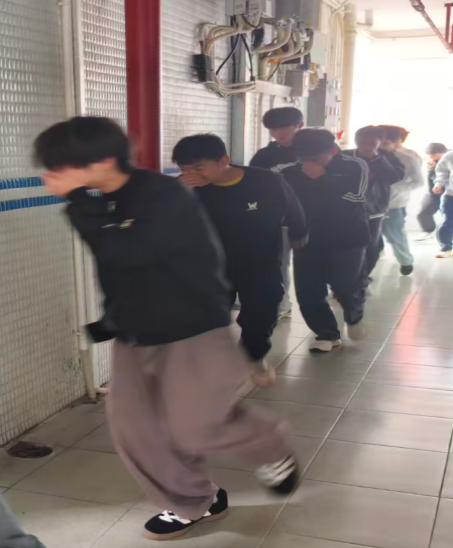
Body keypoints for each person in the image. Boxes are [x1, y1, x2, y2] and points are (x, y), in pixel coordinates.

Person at [34, 117, 299, 542]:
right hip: (135, 333)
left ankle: (270, 446)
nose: (53, 175)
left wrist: (77, 200)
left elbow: (129, 252)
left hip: (190, 328)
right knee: (135, 431)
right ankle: (196, 500)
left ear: (101, 161)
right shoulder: (109, 199)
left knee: (197, 425)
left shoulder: (161, 194)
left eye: (62, 165)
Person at [172, 134, 307, 384]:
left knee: (262, 312)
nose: (191, 175)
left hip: (259, 261)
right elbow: (161, 220)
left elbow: (292, 208)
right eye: (184, 169)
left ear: (224, 161)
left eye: (198, 168)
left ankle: (254, 355)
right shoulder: (183, 188)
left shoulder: (265, 180)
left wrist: (299, 234)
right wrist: (178, 192)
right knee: (208, 317)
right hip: (209, 266)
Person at [281, 129, 370, 352]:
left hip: (348, 237)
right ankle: (326, 333)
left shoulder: (354, 166)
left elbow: (355, 197)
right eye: (304, 158)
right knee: (308, 291)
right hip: (307, 238)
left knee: (346, 285)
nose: (309, 163)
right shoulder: (290, 172)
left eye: (316, 158)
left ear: (332, 151)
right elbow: (288, 206)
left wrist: (322, 178)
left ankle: (354, 315)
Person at [250, 107, 304, 320]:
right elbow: (253, 185)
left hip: (314, 217)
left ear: (300, 126)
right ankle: (282, 303)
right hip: (279, 218)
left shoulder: (317, 149)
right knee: (279, 263)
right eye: (273, 130)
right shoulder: (264, 156)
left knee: (313, 264)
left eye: (285, 129)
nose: (278, 134)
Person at [344, 126, 405, 279]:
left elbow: (393, 177)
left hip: (374, 210)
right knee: (348, 246)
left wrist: (375, 158)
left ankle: (361, 278)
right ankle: (350, 280)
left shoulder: (387, 157)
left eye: (372, 142)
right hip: (346, 210)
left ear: (380, 142)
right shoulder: (345, 156)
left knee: (372, 247)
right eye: (363, 142)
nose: (367, 146)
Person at [379, 125, 424, 275]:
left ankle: (405, 261)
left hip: (394, 203)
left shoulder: (409, 157)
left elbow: (417, 181)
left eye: (385, 141)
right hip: (368, 203)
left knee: (394, 235)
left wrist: (393, 189)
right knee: (370, 236)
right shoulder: (369, 154)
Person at [417, 143, 448, 239]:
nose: (430, 157)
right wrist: (432, 168)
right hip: (433, 193)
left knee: (448, 215)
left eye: (432, 155)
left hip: (448, 193)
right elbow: (432, 177)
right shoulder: (434, 161)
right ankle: (428, 231)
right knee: (423, 213)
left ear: (441, 153)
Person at [433, 148, 453, 258]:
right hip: (451, 195)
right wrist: (438, 184)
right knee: (447, 221)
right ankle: (445, 247)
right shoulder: (450, 156)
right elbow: (442, 172)